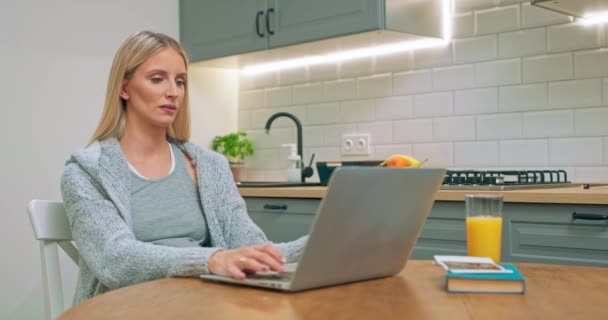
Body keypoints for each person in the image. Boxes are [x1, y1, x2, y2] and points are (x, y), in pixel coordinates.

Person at [60, 31, 306, 304]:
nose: (173, 92)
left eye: (181, 81)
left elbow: (250, 247)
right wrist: (212, 259)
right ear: (125, 88)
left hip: (200, 305)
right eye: (157, 79)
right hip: (121, 308)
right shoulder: (85, 171)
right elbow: (115, 259)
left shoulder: (209, 166)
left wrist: (322, 245)